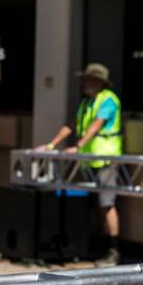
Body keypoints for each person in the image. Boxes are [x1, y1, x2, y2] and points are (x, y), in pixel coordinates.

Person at [38, 63, 122, 265]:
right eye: (85, 79)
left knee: (107, 204)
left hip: (105, 159)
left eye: (90, 80)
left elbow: (96, 125)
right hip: (89, 160)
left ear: (100, 82)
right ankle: (93, 246)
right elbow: (72, 124)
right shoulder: (86, 102)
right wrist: (51, 145)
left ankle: (114, 249)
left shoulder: (108, 100)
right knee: (95, 205)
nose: (85, 83)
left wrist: (78, 146)